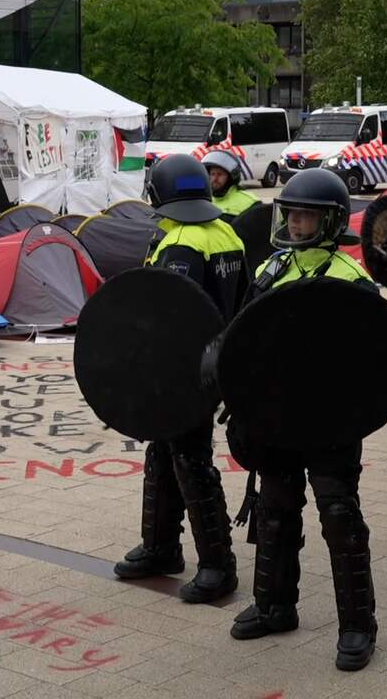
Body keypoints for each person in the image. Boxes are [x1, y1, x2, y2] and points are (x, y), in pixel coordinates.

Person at [226, 168, 380, 671]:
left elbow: (372, 360)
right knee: (275, 510)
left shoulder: (351, 279)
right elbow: (243, 342)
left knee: (339, 517)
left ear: (331, 221)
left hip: (331, 422)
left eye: (306, 213)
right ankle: (275, 606)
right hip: (277, 418)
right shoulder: (271, 271)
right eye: (290, 212)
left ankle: (358, 626)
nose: (294, 221)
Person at [113, 153, 245, 603]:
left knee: (191, 461)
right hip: (215, 361)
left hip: (182, 371)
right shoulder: (225, 231)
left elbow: (169, 314)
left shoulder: (181, 243)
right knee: (164, 451)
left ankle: (217, 566)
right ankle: (160, 547)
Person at [202, 150, 260, 219]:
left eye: (220, 174)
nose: (215, 178)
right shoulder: (204, 200)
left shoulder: (250, 202)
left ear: (231, 177)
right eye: (212, 174)